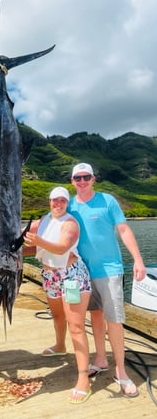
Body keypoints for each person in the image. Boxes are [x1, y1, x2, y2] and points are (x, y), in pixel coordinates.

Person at [69, 162, 146, 397]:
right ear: (72, 181)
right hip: (81, 273)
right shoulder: (69, 205)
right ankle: (101, 359)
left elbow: (123, 230)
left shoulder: (108, 201)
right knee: (95, 315)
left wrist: (138, 260)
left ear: (94, 179)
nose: (82, 181)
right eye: (77, 178)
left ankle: (120, 371)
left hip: (110, 270)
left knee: (115, 321)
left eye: (86, 177)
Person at [24, 187, 92, 404]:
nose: (58, 204)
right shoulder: (44, 220)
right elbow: (28, 244)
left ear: (67, 203)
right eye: (55, 200)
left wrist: (37, 241)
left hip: (71, 277)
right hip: (49, 275)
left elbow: (63, 247)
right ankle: (60, 346)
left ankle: (83, 378)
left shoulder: (70, 223)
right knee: (57, 315)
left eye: (63, 200)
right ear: (49, 201)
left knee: (76, 326)